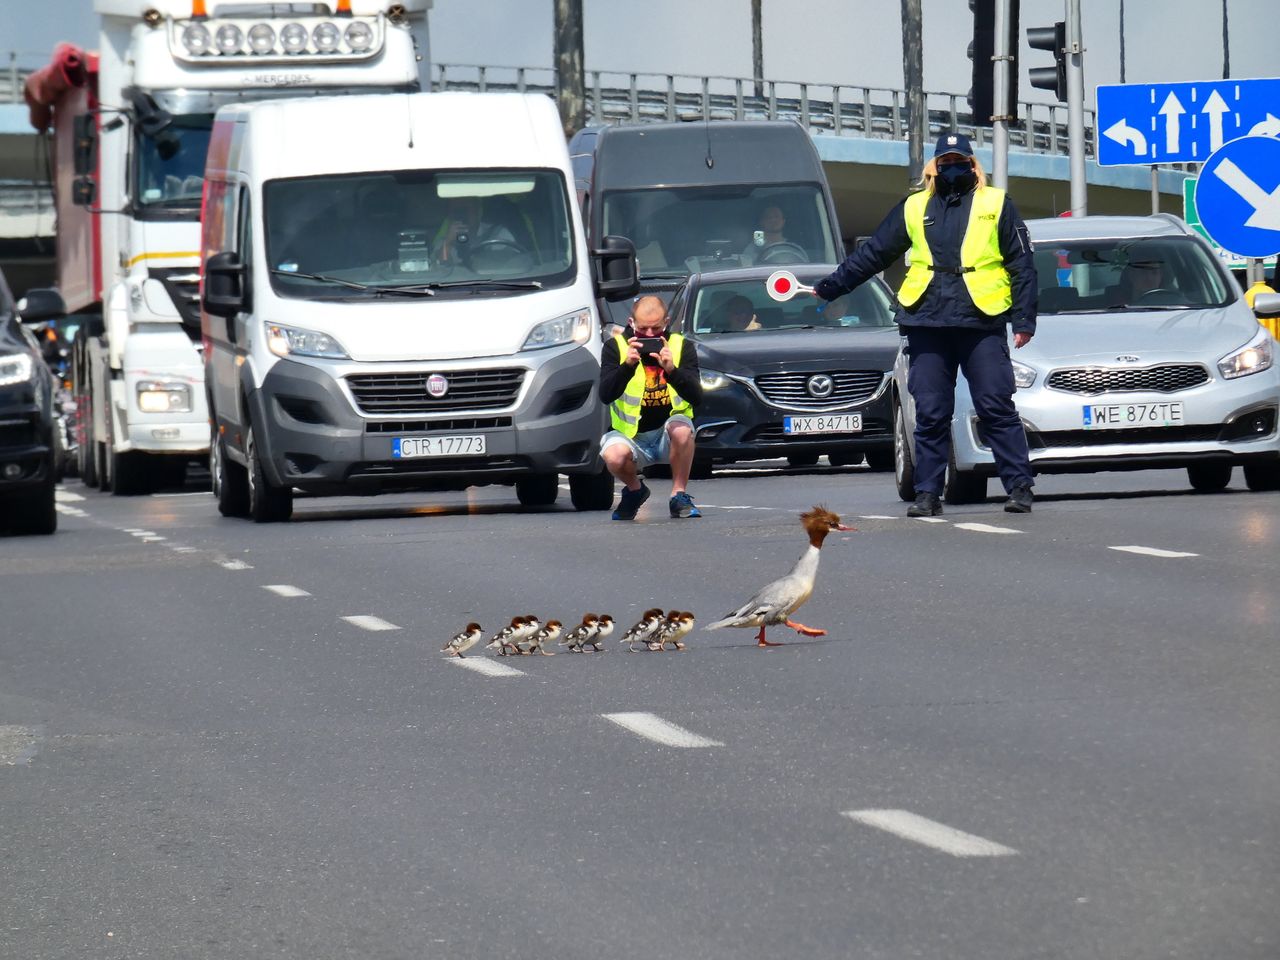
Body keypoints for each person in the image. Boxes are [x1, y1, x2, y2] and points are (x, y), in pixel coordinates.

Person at [812, 131, 1037, 516]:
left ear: (972, 165)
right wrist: (833, 287)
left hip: (980, 319)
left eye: (959, 161)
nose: (952, 168)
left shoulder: (996, 203)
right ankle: (928, 494)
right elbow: (874, 253)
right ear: (934, 167)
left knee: (995, 405)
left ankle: (1018, 487)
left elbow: (1021, 265)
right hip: (927, 319)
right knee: (931, 411)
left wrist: (1024, 319)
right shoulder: (914, 207)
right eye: (945, 162)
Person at [598, 295, 705, 520]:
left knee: (682, 429)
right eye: (642, 329)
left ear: (666, 322)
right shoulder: (615, 347)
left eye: (656, 328)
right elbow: (605, 395)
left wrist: (672, 370)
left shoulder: (680, 345)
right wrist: (627, 366)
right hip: (631, 434)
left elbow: (697, 397)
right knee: (613, 456)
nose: (649, 335)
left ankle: (679, 495)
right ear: (631, 322)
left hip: (669, 434)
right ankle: (635, 491)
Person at [433, 196, 515, 265]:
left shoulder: (499, 234)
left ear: (478, 211)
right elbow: (441, 269)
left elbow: (513, 265)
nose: (462, 215)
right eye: (457, 210)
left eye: (466, 209)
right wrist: (448, 243)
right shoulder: (443, 243)